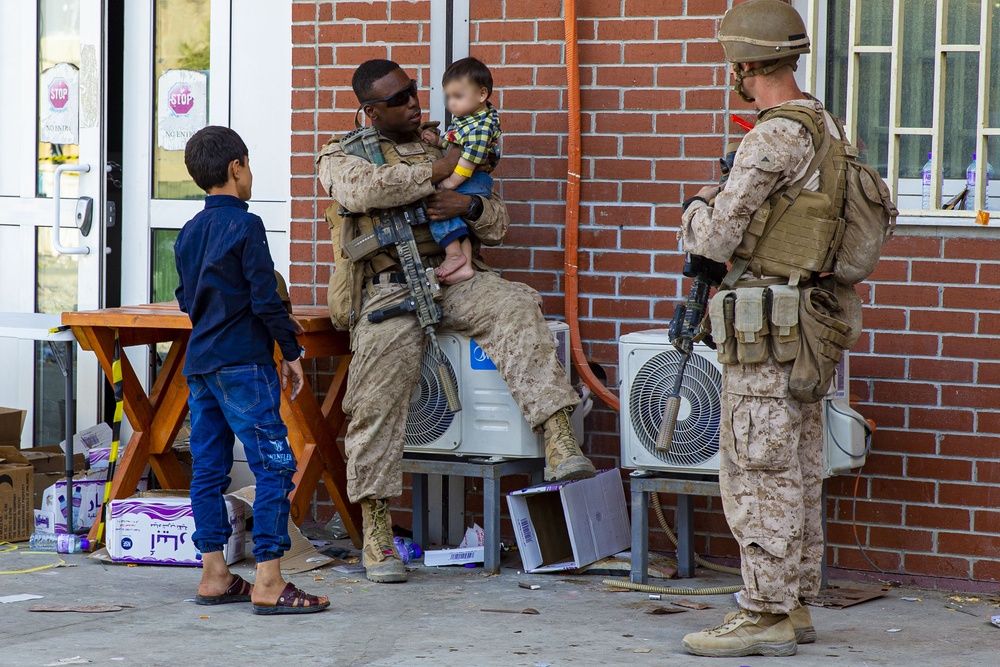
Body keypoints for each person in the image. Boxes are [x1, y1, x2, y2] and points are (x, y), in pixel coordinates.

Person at [316, 59, 596, 584]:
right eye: (398, 99)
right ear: (371, 111)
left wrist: (466, 203)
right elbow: (362, 192)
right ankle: (376, 529)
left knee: (516, 304)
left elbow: (498, 222)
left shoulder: (443, 141)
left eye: (414, 92)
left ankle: (559, 442)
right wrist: (435, 174)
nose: (414, 103)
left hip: (455, 277)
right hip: (389, 288)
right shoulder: (342, 154)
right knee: (374, 393)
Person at [677, 0, 847, 657]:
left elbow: (718, 233)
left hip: (766, 327)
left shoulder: (771, 134)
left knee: (756, 469)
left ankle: (764, 611)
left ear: (746, 63)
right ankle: (795, 601)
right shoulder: (825, 123)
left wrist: (695, 208)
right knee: (798, 465)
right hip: (809, 321)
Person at [175, 125, 328, 615]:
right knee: (274, 468)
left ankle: (214, 574)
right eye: (249, 166)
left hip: (201, 365)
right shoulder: (246, 225)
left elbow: (186, 300)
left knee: (208, 471)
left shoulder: (189, 232)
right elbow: (265, 298)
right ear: (236, 167)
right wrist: (292, 352)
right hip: (244, 362)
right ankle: (268, 579)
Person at [419, 57, 502, 285]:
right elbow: (454, 139)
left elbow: (469, 159)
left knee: (437, 202)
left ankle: (454, 254)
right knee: (455, 216)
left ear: (482, 95)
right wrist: (438, 141)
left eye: (458, 96)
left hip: (473, 178)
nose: (451, 103)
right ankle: (464, 265)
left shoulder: (480, 127)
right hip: (472, 178)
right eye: (448, 97)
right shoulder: (470, 118)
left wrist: (450, 184)